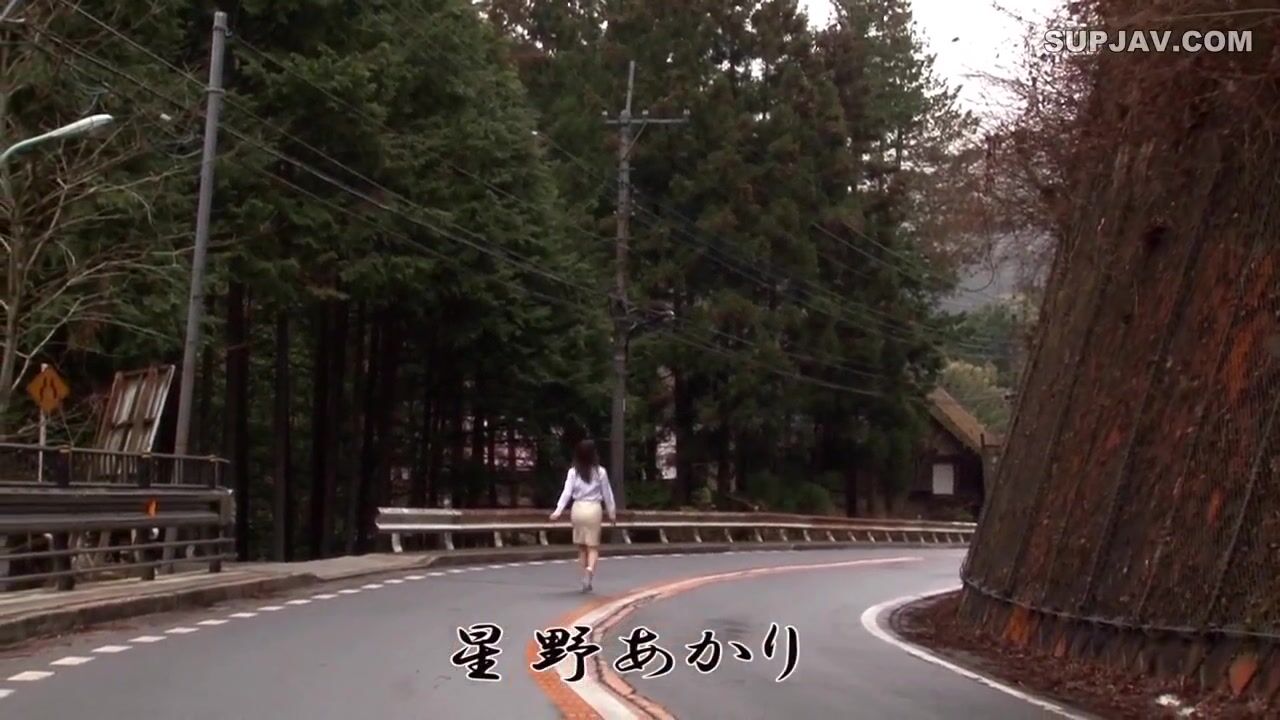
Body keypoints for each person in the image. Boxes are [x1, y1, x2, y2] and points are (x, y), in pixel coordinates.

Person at [549, 439, 616, 592]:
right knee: (593, 546)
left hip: (578, 509)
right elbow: (607, 494)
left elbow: (567, 493)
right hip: (593, 509)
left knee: (581, 547)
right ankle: (590, 570)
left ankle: (584, 575)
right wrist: (611, 513)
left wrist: (558, 511)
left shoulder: (573, 472)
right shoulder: (600, 472)